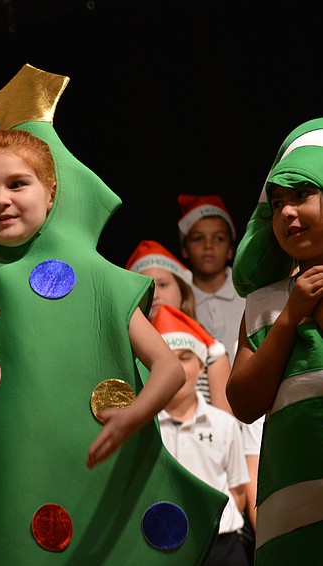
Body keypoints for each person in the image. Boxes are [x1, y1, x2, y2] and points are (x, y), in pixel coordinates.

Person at [0, 64, 225, 563]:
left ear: (51, 194)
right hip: (9, 504)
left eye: (17, 184)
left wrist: (133, 416)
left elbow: (168, 370)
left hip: (97, 488)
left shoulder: (98, 279)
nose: (1, 200)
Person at [228, 118, 323, 564]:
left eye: (302, 195)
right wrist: (289, 318)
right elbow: (243, 405)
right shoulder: (264, 305)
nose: (286, 212)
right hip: (291, 521)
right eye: (278, 202)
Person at [153, 305, 249, 566]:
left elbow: (238, 490)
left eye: (184, 358)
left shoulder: (223, 425)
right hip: (166, 546)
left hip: (224, 547)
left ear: (202, 367)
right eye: (168, 360)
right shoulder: (147, 428)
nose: (178, 370)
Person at [126, 240, 232, 412]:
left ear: (182, 291)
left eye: (162, 284)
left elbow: (227, 423)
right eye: (146, 287)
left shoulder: (212, 350)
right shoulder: (128, 350)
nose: (155, 294)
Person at [178, 194, 246, 363]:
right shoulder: (177, 297)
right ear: (184, 249)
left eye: (218, 238)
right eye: (198, 238)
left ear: (231, 249)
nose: (208, 246)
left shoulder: (248, 290)